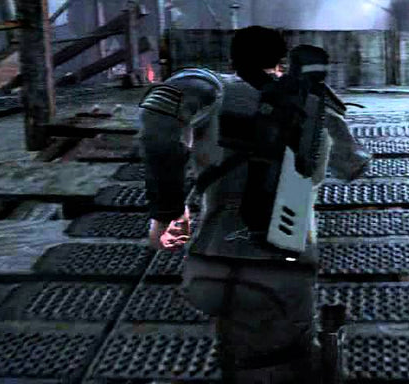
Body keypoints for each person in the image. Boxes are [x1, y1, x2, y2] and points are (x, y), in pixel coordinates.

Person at [138, 26, 370, 383]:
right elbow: (353, 166)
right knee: (288, 368)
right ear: (280, 61)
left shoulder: (213, 92)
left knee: (236, 357)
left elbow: (157, 121)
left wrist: (167, 213)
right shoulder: (312, 105)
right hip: (281, 271)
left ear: (232, 58)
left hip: (209, 268)